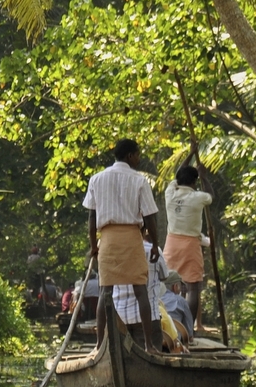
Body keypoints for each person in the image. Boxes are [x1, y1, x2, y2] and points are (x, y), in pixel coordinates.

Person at [84, 138, 161, 352]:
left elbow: (92, 218)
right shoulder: (139, 180)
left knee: (105, 292)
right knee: (140, 291)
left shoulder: (96, 179)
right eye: (137, 154)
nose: (139, 158)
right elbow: (150, 218)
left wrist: (94, 246)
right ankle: (148, 345)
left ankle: (99, 345)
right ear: (129, 156)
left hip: (108, 239)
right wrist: (155, 244)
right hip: (132, 239)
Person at [164, 165, 213, 331]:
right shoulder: (198, 197)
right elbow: (211, 196)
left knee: (168, 285)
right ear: (194, 182)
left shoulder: (170, 193)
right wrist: (204, 176)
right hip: (191, 245)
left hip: (171, 243)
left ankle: (169, 325)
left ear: (178, 180)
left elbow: (176, 175)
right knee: (193, 288)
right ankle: (188, 329)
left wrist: (189, 155)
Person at [160, 270, 194, 341]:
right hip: (174, 342)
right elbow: (189, 332)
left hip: (156, 339)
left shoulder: (156, 299)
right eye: (180, 286)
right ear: (175, 287)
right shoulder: (181, 301)